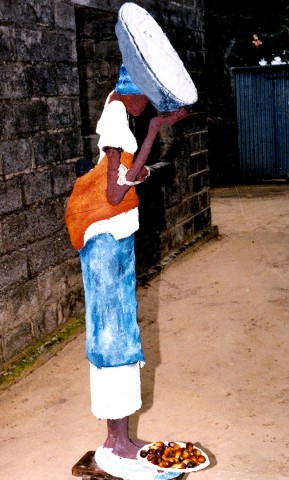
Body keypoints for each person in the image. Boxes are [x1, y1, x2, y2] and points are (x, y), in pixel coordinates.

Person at [65, 64, 189, 460]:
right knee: (112, 339)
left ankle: (120, 437)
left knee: (121, 336)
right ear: (133, 93)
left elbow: (123, 178)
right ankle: (113, 440)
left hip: (112, 239)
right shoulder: (118, 116)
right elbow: (116, 192)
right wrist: (154, 131)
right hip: (104, 241)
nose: (147, 107)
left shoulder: (117, 108)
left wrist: (146, 165)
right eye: (147, 99)